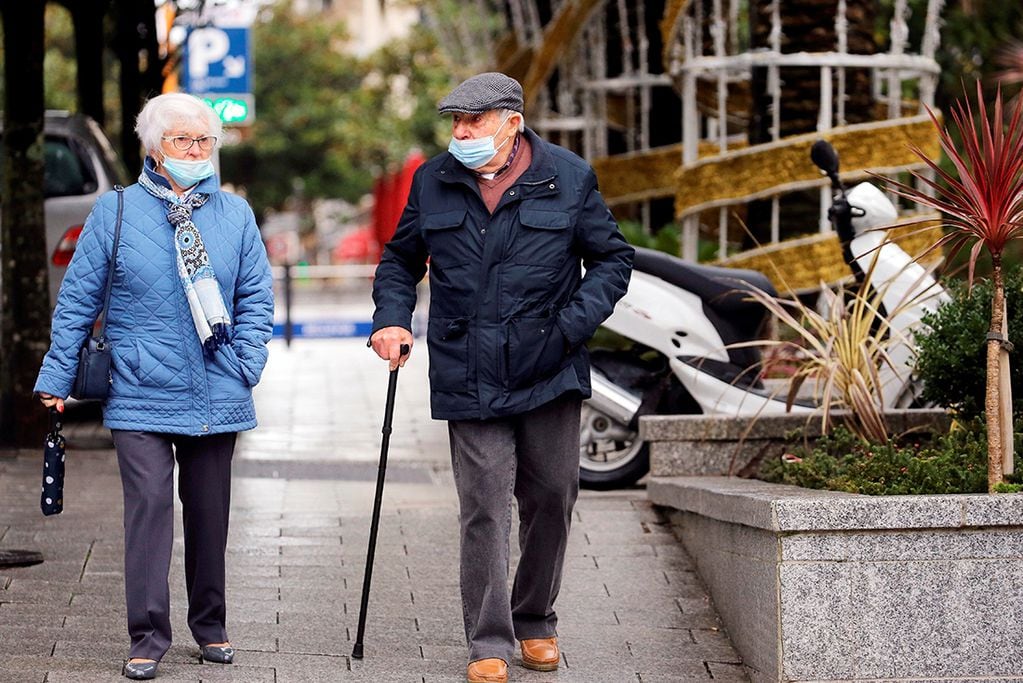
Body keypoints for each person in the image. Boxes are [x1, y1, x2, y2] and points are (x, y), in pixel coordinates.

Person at [369, 72, 634, 683]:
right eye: (455, 121)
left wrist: (570, 327)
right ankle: (488, 639)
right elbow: (401, 258)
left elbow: (613, 259)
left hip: (548, 364)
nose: (460, 132)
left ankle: (535, 619)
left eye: (474, 121)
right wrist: (391, 319)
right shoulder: (434, 179)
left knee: (552, 498)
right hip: (468, 369)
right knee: (484, 506)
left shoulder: (568, 175)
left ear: (512, 122)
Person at [34, 93, 274, 680]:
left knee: (210, 514)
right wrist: (57, 376)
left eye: (205, 142)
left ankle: (211, 626)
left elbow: (256, 298)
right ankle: (147, 636)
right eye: (183, 141)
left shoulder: (235, 215)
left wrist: (246, 362)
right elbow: (76, 303)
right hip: (138, 387)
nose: (197, 152)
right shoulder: (115, 212)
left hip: (218, 388)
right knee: (147, 510)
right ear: (154, 149)